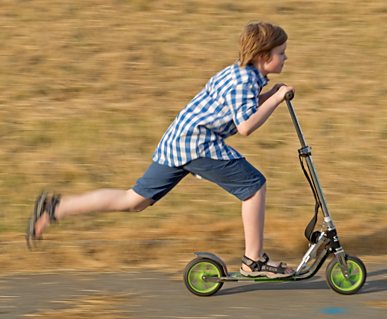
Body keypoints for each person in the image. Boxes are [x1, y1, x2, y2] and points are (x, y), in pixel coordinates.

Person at [26, 21, 295, 278]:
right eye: (281, 53)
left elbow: (242, 108)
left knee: (134, 201)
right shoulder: (244, 81)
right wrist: (277, 99)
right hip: (197, 144)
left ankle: (57, 207)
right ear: (262, 55)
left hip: (178, 141)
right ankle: (253, 260)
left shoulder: (240, 73)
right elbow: (246, 126)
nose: (285, 58)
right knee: (254, 186)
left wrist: (270, 95)